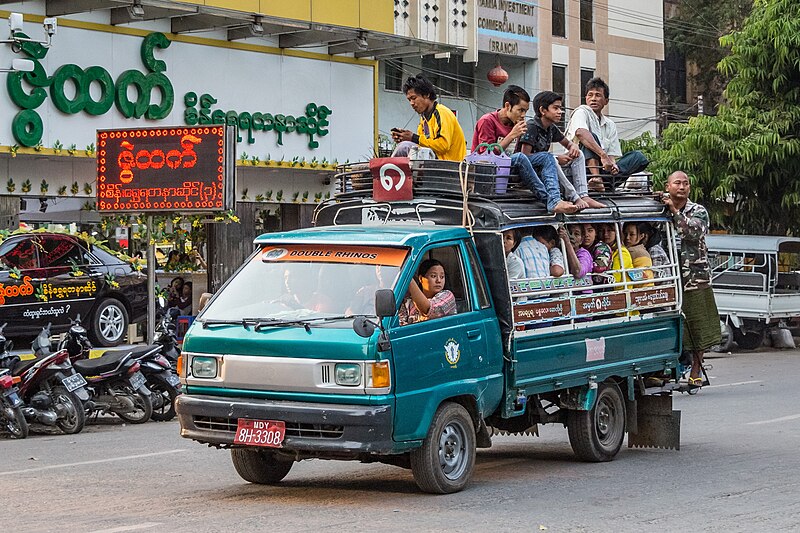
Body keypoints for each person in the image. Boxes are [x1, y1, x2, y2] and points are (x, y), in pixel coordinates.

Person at [471, 85, 573, 214]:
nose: (523, 115)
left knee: (546, 156)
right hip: (489, 170)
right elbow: (486, 155)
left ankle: (556, 198)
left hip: (509, 170)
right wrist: (512, 135)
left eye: (525, 111)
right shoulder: (488, 121)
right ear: (508, 106)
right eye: (520, 110)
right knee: (520, 157)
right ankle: (549, 200)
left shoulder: (516, 124)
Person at [663, 171, 720, 388]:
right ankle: (672, 367)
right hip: (668, 275)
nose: (682, 187)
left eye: (686, 183)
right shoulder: (660, 207)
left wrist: (674, 211)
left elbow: (692, 232)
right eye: (677, 183)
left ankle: (696, 369)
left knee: (698, 323)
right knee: (673, 321)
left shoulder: (698, 211)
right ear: (667, 186)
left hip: (694, 276)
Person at [520, 91, 605, 211]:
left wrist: (574, 147)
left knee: (579, 154)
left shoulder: (550, 128)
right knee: (549, 157)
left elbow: (568, 143)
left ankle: (583, 195)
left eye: (560, 108)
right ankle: (574, 197)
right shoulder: (532, 126)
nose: (560, 111)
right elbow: (525, 157)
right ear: (543, 110)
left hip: (545, 165)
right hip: (530, 170)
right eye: (555, 108)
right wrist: (555, 158)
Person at [565, 77, 649, 191]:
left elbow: (611, 155)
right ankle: (596, 178)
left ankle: (604, 184)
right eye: (590, 95)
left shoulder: (610, 124)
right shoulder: (581, 112)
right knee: (590, 137)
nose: (593, 99)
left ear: (606, 101)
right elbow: (580, 133)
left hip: (603, 170)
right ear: (586, 98)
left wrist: (613, 166)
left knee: (638, 157)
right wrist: (602, 155)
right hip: (580, 168)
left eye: (598, 95)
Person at [391, 74, 466, 161]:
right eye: (409, 100)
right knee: (405, 145)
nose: (411, 103)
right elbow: (423, 144)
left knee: (404, 147)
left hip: (449, 165)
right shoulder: (424, 119)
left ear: (427, 95)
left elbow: (443, 145)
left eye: (414, 98)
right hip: (432, 162)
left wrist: (414, 138)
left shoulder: (442, 113)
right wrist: (404, 137)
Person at [398, 259, 457, 325]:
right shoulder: (408, 302)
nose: (439, 280)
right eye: (433, 276)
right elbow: (401, 325)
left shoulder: (447, 296)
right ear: (420, 278)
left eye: (442, 277)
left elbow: (429, 310)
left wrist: (408, 278)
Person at [559, 224, 593, 291]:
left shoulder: (584, 254)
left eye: (576, 234)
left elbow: (578, 272)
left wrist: (568, 243)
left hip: (582, 296)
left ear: (581, 239)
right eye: (569, 233)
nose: (572, 237)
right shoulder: (560, 253)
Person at [623, 221, 654, 286]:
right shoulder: (642, 249)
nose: (627, 238)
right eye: (625, 234)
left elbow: (642, 278)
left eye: (632, 234)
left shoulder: (634, 251)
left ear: (641, 236)